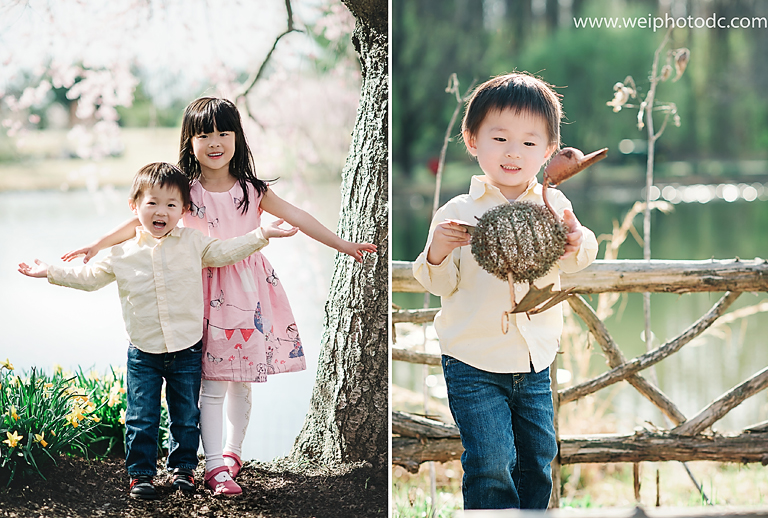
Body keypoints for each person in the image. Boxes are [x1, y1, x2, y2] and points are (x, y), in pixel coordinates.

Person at [62, 97, 377, 495]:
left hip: (247, 292)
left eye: (223, 133)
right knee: (209, 381)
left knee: (241, 381)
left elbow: (299, 216)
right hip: (203, 292)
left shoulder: (253, 190)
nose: (215, 142)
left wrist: (342, 244)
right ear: (189, 141)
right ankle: (213, 467)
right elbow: (138, 220)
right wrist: (95, 245)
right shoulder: (185, 190)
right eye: (204, 134)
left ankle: (232, 452)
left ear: (237, 137)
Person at [19, 162, 298, 500]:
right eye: (152, 203)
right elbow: (89, 279)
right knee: (141, 417)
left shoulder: (193, 242)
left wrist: (261, 234)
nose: (161, 212)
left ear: (183, 210)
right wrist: (50, 271)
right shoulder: (121, 253)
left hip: (186, 349)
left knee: (185, 416)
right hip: (144, 352)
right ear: (134, 206)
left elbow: (225, 252)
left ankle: (183, 470)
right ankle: (141, 475)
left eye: (171, 205)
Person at [412, 73, 598, 510]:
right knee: (491, 460)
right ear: (473, 140)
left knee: (537, 458)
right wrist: (437, 251)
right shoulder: (458, 211)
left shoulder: (553, 204)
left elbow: (579, 255)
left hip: (533, 361)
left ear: (549, 151)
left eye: (530, 143)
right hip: (472, 360)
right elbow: (437, 283)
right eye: (499, 138)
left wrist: (576, 237)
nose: (514, 152)